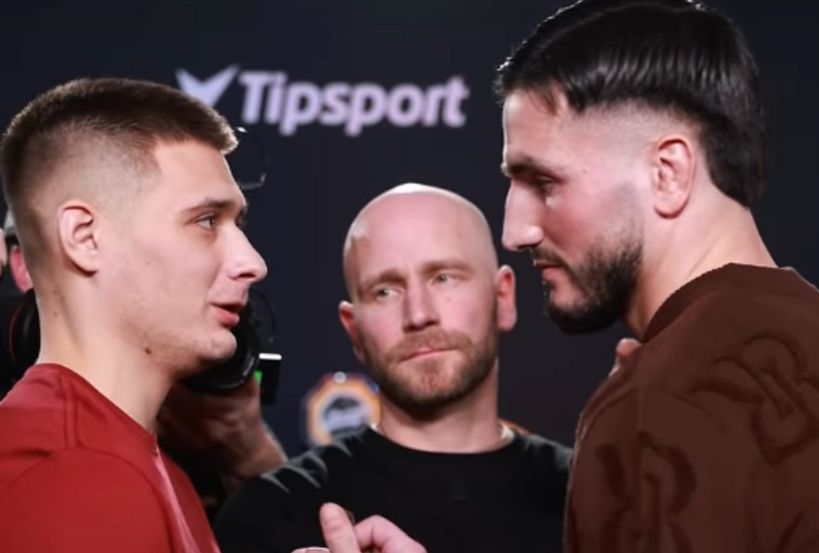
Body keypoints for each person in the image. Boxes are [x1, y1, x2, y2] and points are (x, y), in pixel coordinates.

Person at [493, 0, 819, 552]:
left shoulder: (649, 411)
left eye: (544, 182)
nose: (515, 230)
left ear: (667, 173)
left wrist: (648, 402)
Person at [214, 183, 572, 553]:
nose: (419, 314)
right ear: (354, 331)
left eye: (443, 277)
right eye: (385, 291)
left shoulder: (588, 500)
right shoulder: (272, 515)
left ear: (503, 297)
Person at [0, 77, 268, 552]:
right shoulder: (75, 476)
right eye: (206, 221)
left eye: (238, 223)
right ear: (85, 237)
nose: (252, 262)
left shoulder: (140, 467)